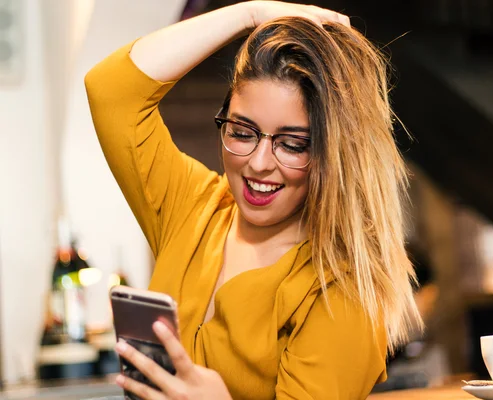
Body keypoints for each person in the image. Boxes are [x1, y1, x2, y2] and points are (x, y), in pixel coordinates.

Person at [84, 1, 423, 399]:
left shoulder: (339, 289)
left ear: (335, 153)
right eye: (242, 132)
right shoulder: (194, 207)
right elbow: (110, 91)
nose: (259, 164)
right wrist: (249, 14)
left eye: (293, 144)